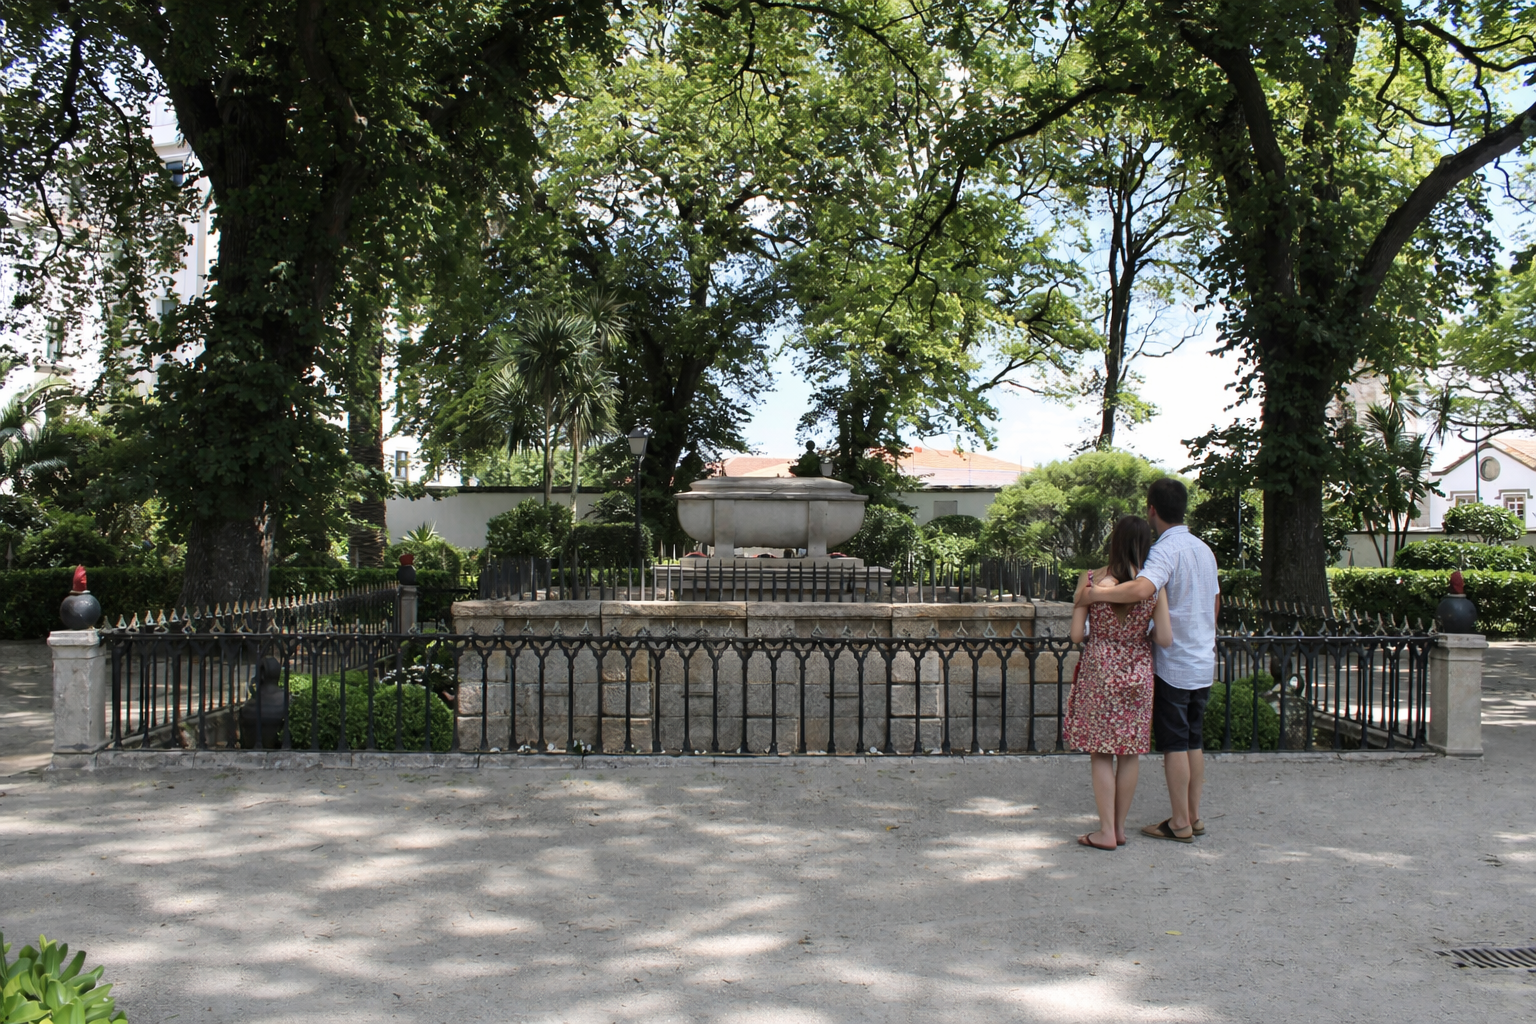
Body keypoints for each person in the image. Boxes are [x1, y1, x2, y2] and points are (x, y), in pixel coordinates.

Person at [1077, 478, 1219, 843]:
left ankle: (1180, 822)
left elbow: (1142, 589)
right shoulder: (1204, 550)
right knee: (1194, 740)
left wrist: (1093, 595)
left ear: (1152, 509)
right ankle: (1193, 815)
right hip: (1202, 659)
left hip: (1174, 663)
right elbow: (1215, 602)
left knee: (1175, 742)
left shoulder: (1164, 551)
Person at [1064, 516, 1173, 851]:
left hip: (1100, 669)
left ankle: (1106, 831)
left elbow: (1076, 635)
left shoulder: (1091, 579)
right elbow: (1165, 638)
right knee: (1129, 753)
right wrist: (1141, 633)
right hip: (1138, 669)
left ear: (1114, 541)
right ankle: (1120, 829)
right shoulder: (1152, 585)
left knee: (1101, 753)